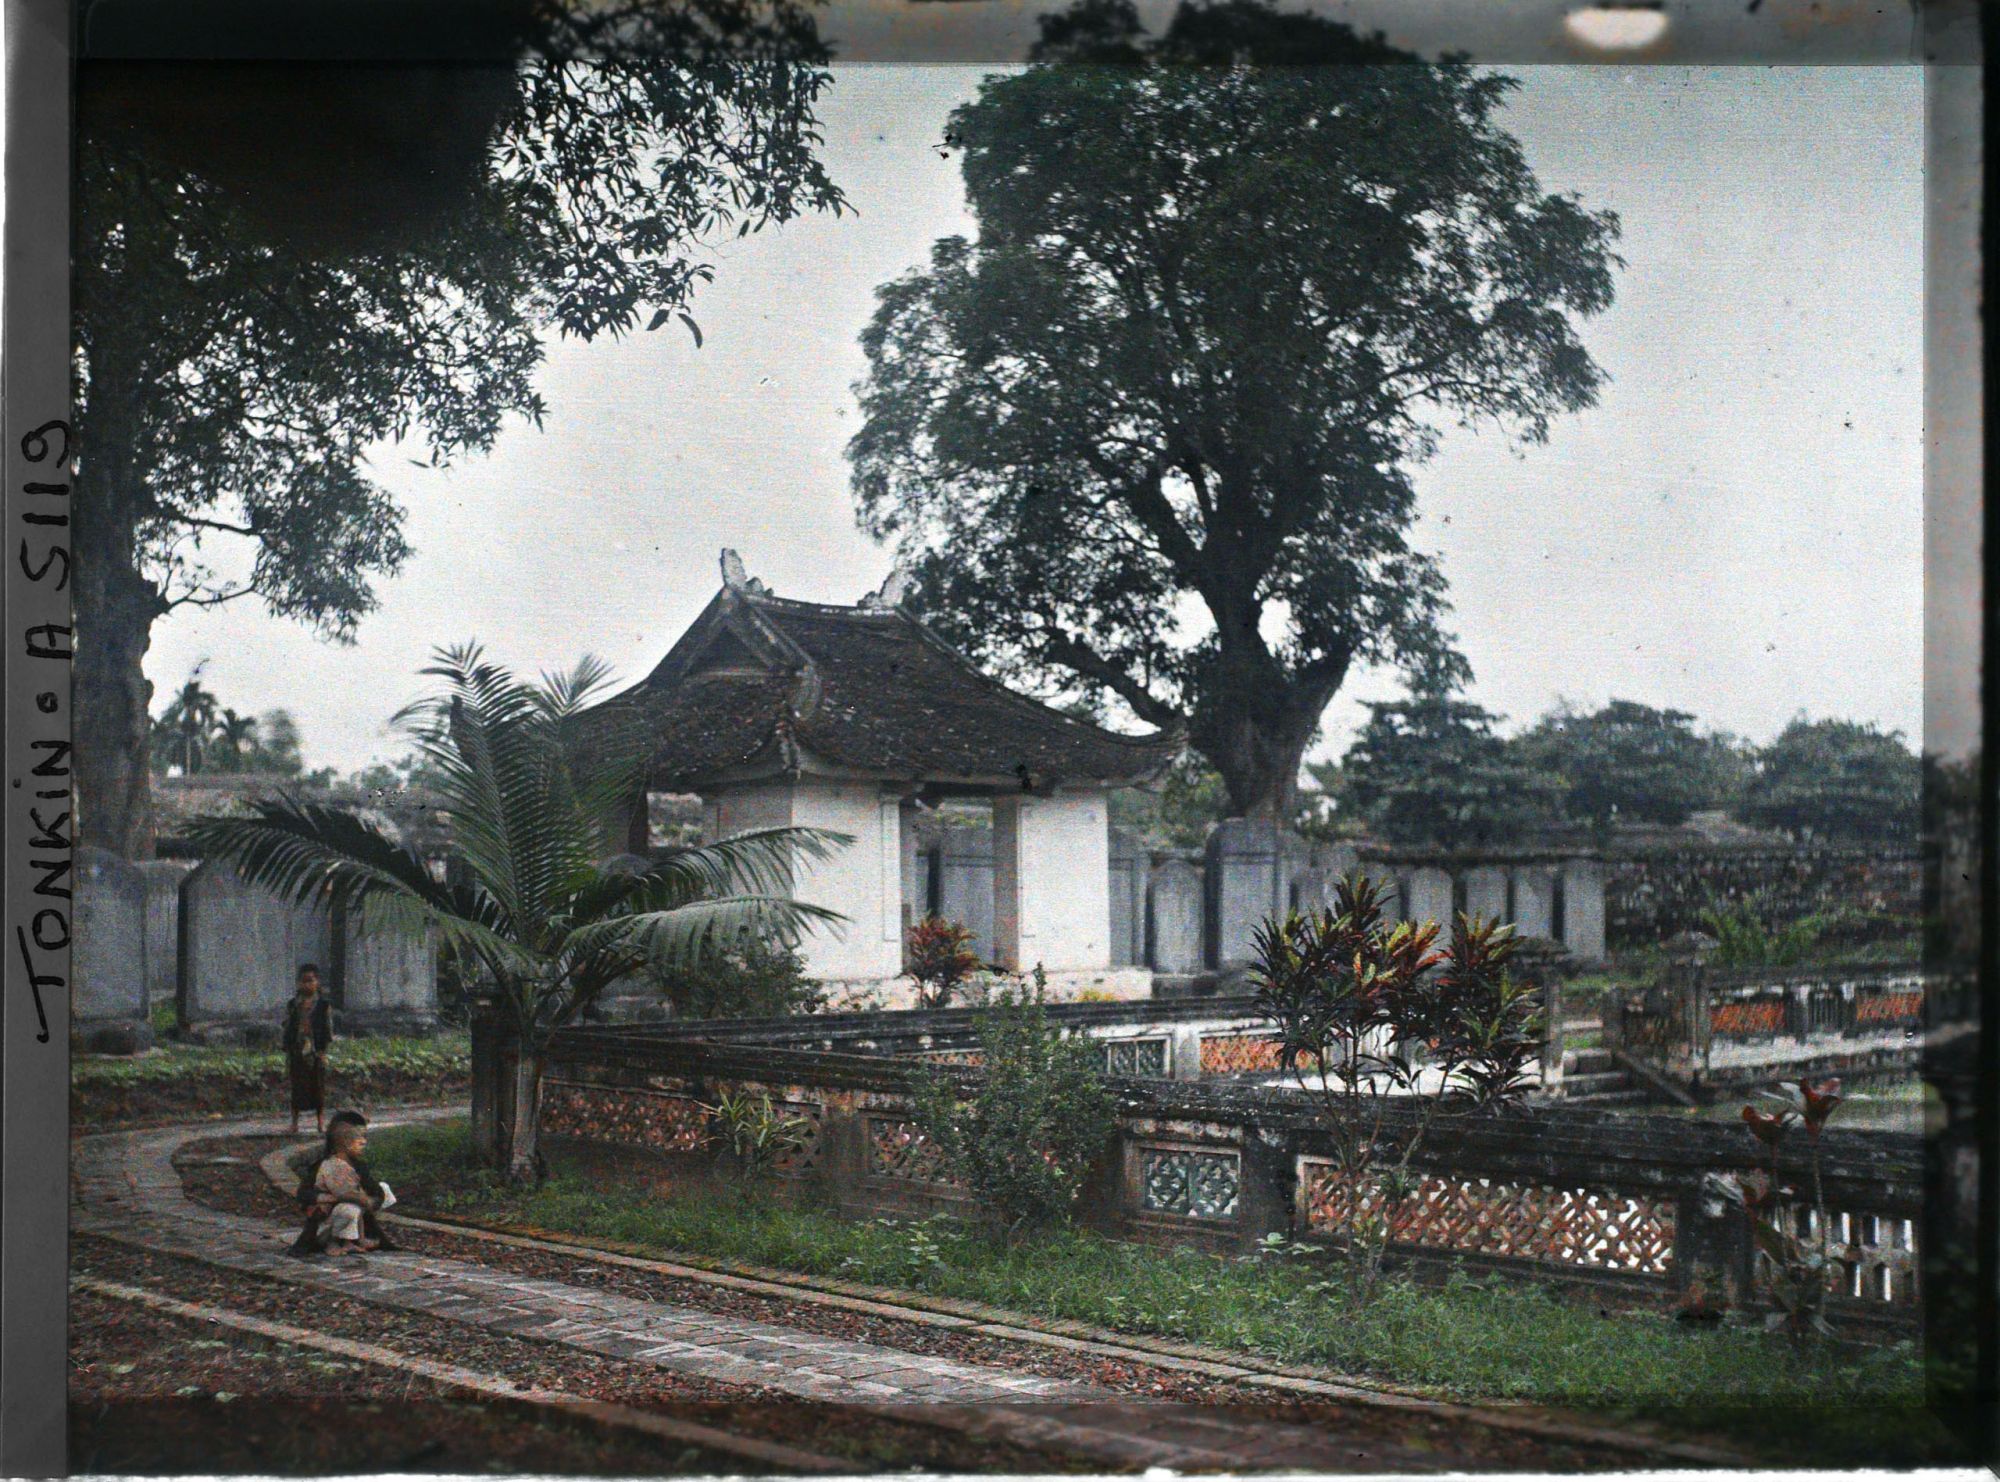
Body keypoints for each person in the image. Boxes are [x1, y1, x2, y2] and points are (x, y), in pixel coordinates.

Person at [288, 1110, 399, 1256]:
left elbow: (376, 1192)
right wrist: (332, 1197)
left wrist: (367, 1199)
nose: (363, 1141)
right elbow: (303, 1194)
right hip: (328, 1221)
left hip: (354, 1214)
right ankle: (332, 1242)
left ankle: (356, 1239)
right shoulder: (325, 1164)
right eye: (358, 1137)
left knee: (379, 1192)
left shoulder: (358, 1166)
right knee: (347, 1208)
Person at [310, 1120, 382, 1255]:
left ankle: (352, 1241)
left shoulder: (347, 1165)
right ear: (346, 1145)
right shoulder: (333, 1166)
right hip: (324, 1222)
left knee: (356, 1207)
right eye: (359, 1144)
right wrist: (364, 1199)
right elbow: (343, 1194)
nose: (362, 1147)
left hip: (336, 1212)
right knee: (350, 1208)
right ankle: (331, 1243)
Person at [281, 963, 333, 1135]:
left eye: (310, 981)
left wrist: (323, 1050)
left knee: (317, 1087)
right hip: (297, 1049)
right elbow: (288, 1026)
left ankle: (320, 1122)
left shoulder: (323, 1005)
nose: (307, 985)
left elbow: (327, 1028)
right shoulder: (294, 1004)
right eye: (303, 981)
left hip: (316, 1050)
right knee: (297, 1087)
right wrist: (287, 1047)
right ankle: (294, 1123)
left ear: (317, 982)